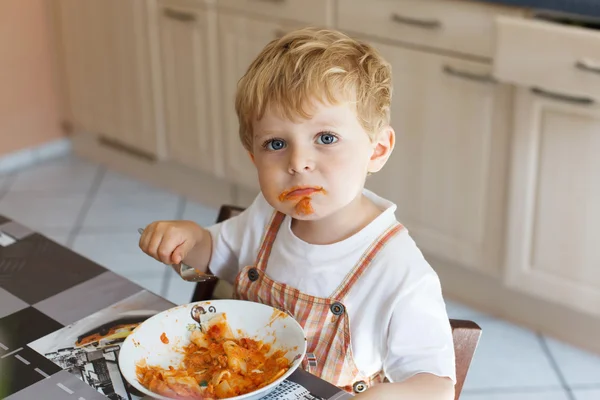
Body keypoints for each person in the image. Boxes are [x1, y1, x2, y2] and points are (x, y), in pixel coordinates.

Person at [140, 27, 455, 399]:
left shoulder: (398, 269)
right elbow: (215, 254)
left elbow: (435, 385)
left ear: (377, 149)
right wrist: (190, 238)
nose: (298, 162)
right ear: (253, 158)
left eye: (326, 138)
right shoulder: (265, 217)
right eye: (276, 144)